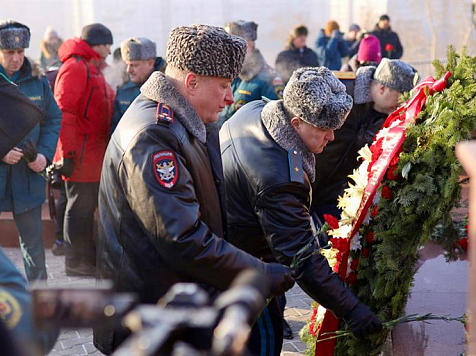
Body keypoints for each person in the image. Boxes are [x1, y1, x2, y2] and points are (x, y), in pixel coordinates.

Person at [94, 24, 295, 354]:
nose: (230, 97)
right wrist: (257, 273)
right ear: (191, 82)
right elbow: (182, 238)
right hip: (147, 325)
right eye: (224, 85)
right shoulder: (153, 136)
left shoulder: (186, 121)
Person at [220, 67, 382, 355]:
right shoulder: (280, 179)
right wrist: (353, 310)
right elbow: (301, 258)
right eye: (324, 130)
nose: (332, 138)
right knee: (263, 345)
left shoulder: (256, 111)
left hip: (229, 251)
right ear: (296, 122)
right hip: (251, 273)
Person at [312, 59, 418, 221]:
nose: (400, 106)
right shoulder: (341, 90)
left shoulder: (390, 118)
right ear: (382, 88)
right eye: (399, 98)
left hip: (338, 194)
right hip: (310, 180)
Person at [0, 20, 61, 281]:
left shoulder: (37, 81)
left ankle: (40, 308)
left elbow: (53, 118)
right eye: (9, 53)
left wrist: (45, 154)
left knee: (34, 248)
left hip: (28, 175)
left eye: (20, 52)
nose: (16, 58)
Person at [53, 23, 115, 277]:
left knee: (83, 207)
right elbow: (65, 114)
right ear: (97, 45)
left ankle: (84, 258)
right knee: (79, 208)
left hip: (90, 152)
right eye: (107, 45)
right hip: (80, 154)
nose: (110, 50)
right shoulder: (76, 68)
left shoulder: (91, 67)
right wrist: (67, 155)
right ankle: (75, 262)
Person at [218, 20, 283, 126]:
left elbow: (277, 120)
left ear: (248, 45)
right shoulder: (229, 73)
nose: (227, 52)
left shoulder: (268, 78)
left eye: (232, 47)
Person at [111, 37, 166, 134]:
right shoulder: (123, 89)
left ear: (150, 63)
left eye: (134, 65)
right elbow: (115, 129)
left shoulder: (167, 87)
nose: (129, 70)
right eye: (127, 64)